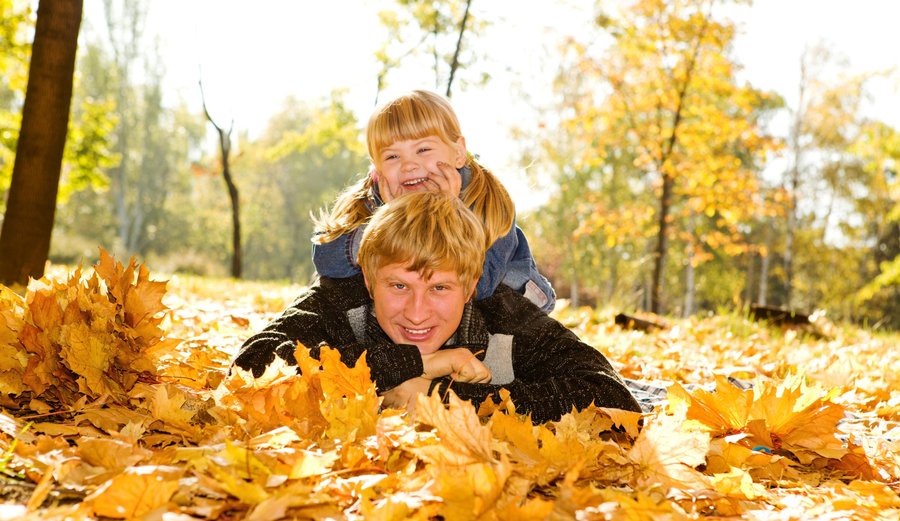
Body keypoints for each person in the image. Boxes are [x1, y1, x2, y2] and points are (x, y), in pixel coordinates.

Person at [233, 192, 641, 423]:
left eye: (440, 288)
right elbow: (250, 368)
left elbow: (612, 396)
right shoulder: (343, 299)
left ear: (469, 287)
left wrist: (442, 399)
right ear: (370, 280)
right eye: (398, 285)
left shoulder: (503, 313)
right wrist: (415, 363)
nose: (416, 312)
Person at [311, 90, 556, 312]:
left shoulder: (486, 200)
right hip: (412, 309)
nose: (408, 165)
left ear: (458, 152)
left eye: (423, 150)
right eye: (393, 156)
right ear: (376, 168)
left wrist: (448, 216)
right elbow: (325, 258)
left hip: (501, 300)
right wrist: (391, 222)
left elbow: (478, 287)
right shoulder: (370, 197)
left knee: (495, 302)